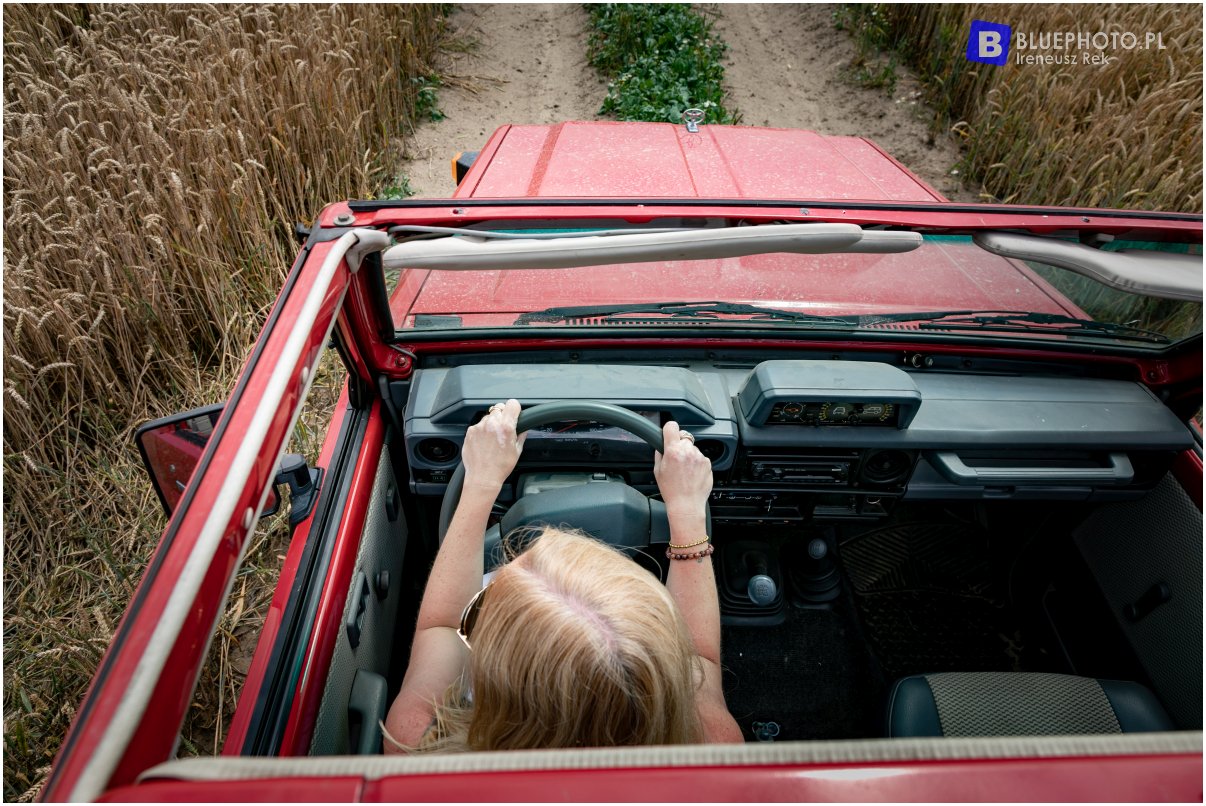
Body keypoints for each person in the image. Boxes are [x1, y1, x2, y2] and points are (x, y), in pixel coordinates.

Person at [383, 399, 742, 752]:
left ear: (497, 672)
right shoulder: (713, 745)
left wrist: (480, 483)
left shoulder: (420, 742)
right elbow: (699, 656)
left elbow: (442, 626)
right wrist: (687, 511)